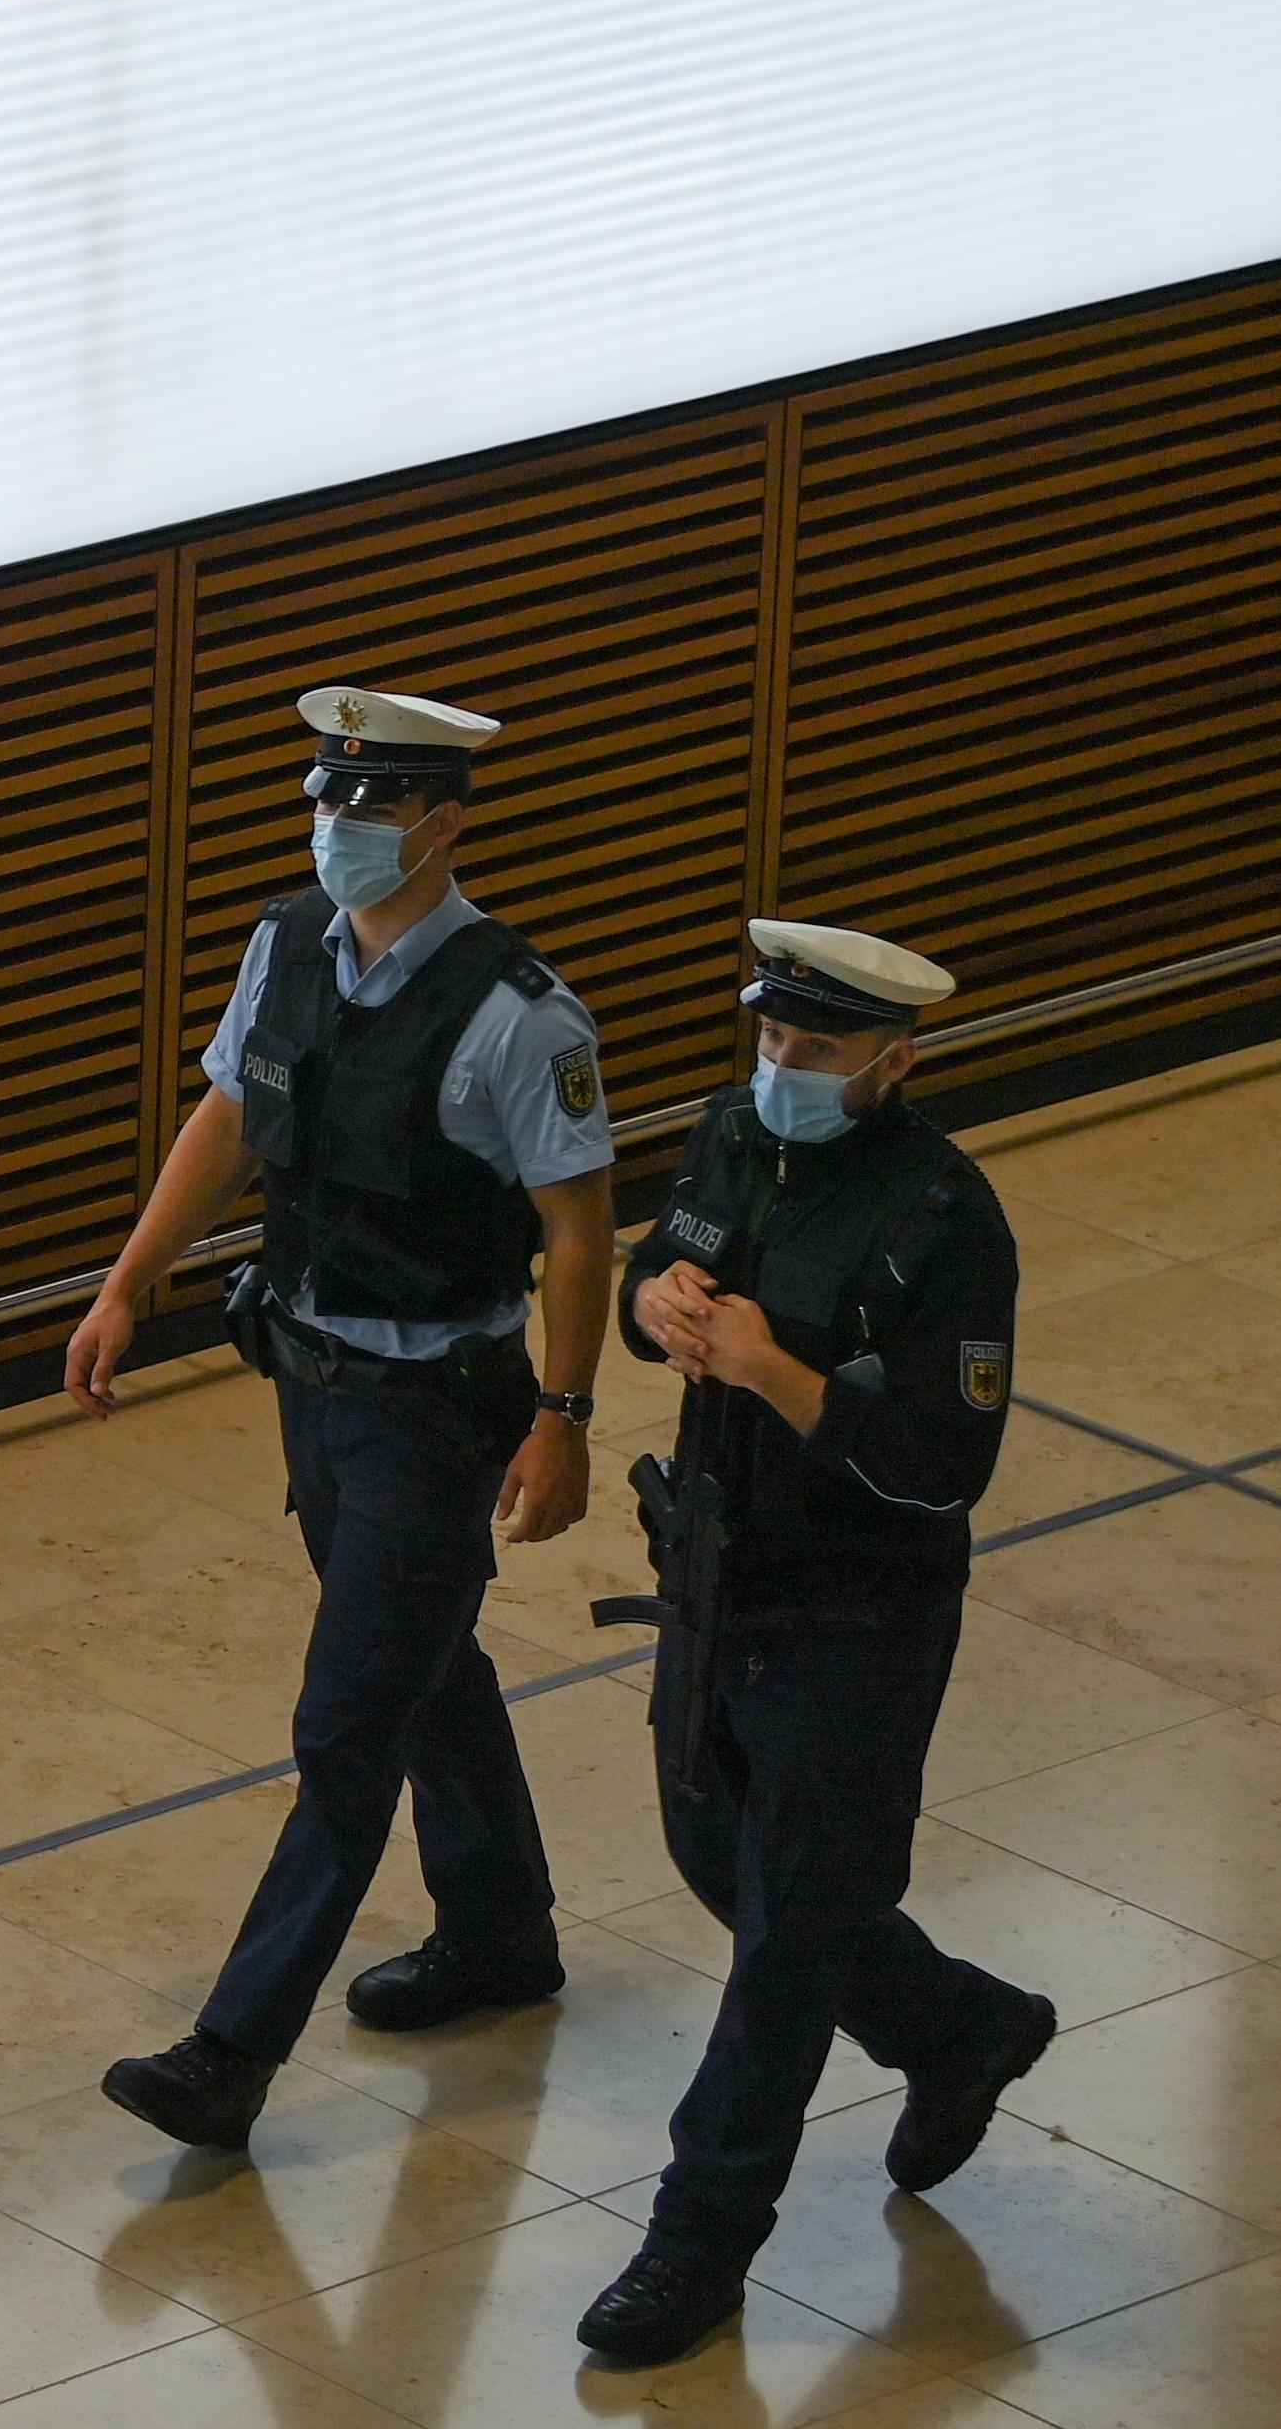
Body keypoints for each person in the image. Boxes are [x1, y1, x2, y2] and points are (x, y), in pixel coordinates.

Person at [69, 685, 618, 2151]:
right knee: (421, 1662)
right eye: (326, 801)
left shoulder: (517, 1015)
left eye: (370, 809)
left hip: (440, 1406)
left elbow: (575, 1227)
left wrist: (561, 1416)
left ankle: (229, 2052)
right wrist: (130, 1282)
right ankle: (500, 1932)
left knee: (345, 1723)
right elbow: (230, 1118)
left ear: (444, 824)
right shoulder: (284, 943)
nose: (338, 830)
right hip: (311, 1378)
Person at [573, 921, 1046, 2369]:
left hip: (858, 1610)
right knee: (724, 1862)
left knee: (784, 1940)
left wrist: (778, 1377)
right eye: (768, 1040)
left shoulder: (941, 1220)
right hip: (721, 1577)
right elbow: (660, 1269)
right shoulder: (731, 1133)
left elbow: (939, 1463)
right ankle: (958, 2026)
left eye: (813, 1052)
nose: (776, 1067)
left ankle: (696, 2241)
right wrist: (649, 1308)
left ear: (891, 1062)